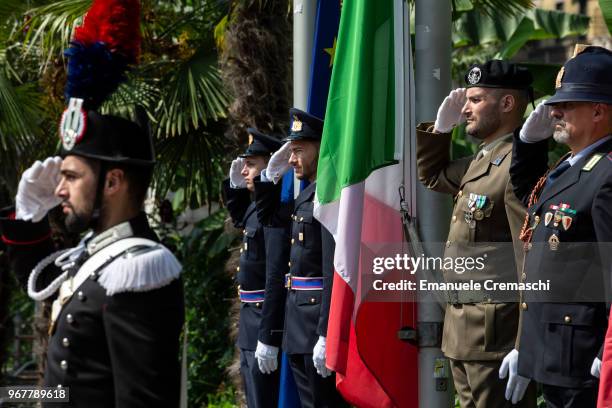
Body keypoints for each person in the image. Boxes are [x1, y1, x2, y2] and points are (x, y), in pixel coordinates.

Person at [0, 105, 184, 407]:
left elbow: (141, 398)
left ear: (112, 182)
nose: (59, 190)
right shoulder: (99, 251)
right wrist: (28, 216)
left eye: (71, 177)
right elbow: (46, 283)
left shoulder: (137, 267)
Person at [416, 60, 538, 407]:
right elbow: (433, 175)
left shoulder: (517, 164)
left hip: (495, 339)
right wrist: (440, 130)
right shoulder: (482, 160)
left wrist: (523, 344)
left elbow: (527, 257)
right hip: (462, 335)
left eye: (476, 99)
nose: (465, 109)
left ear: (507, 103)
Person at [505, 45, 612, 408]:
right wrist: (527, 143)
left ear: (598, 110)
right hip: (553, 351)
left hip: (583, 357)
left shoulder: (607, 174)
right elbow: (530, 196)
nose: (554, 111)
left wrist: (606, 352)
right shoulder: (573, 166)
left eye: (567, 104)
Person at [260, 108, 347, 407]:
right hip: (297, 327)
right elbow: (269, 221)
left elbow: (333, 268)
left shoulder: (328, 194)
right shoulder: (305, 196)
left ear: (321, 147)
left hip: (316, 327)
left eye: (298, 151)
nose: (292, 159)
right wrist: (269, 179)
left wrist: (326, 333)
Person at [222, 128, 284, 407]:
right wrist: (233, 186)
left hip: (262, 319)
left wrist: (268, 335)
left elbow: (274, 277)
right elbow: (240, 218)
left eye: (252, 165)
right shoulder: (257, 209)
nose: (245, 171)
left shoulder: (275, 213)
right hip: (249, 321)